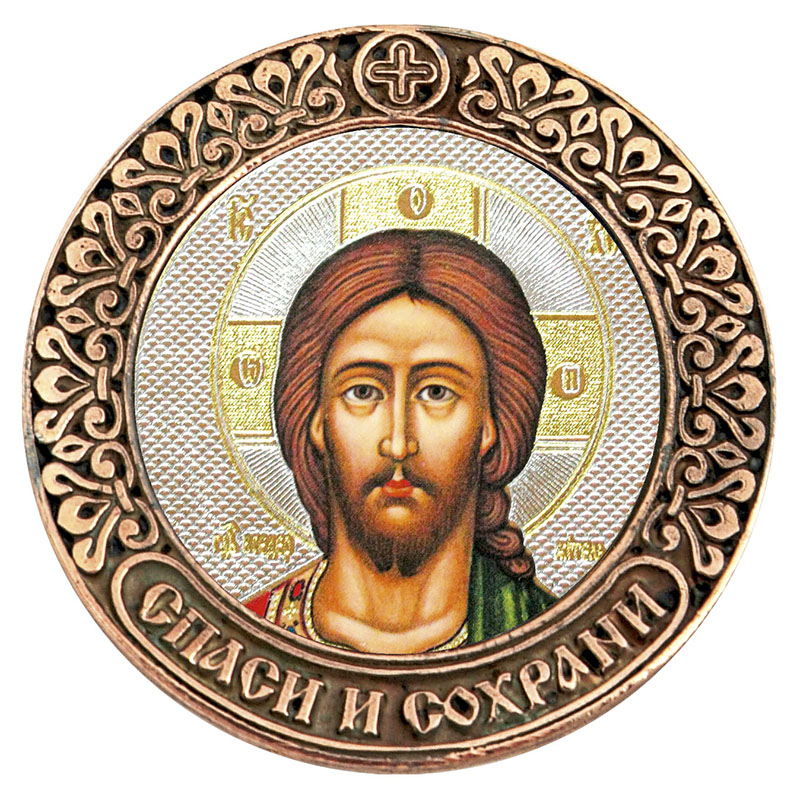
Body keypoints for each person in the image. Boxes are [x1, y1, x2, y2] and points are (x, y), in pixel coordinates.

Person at [245, 229, 555, 652]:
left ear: (491, 424)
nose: (398, 443)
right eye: (362, 391)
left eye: (437, 392)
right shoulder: (243, 636)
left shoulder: (545, 637)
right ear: (315, 420)